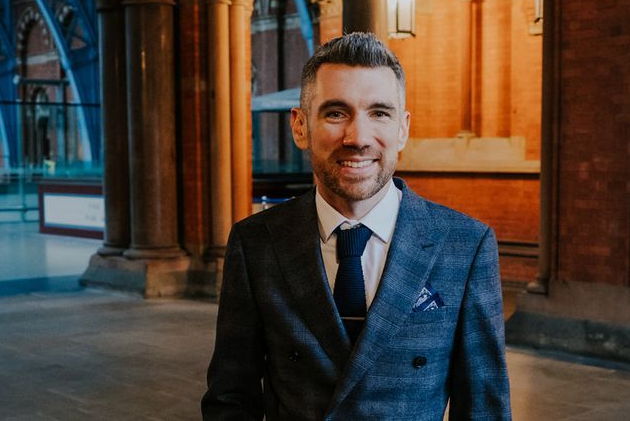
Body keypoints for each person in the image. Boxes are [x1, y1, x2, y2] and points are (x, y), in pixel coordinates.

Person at [202, 32, 511, 420]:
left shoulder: (465, 246)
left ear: (403, 129)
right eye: (336, 113)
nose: (358, 138)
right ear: (300, 126)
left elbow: (484, 409)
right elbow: (231, 398)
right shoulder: (256, 244)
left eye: (379, 113)